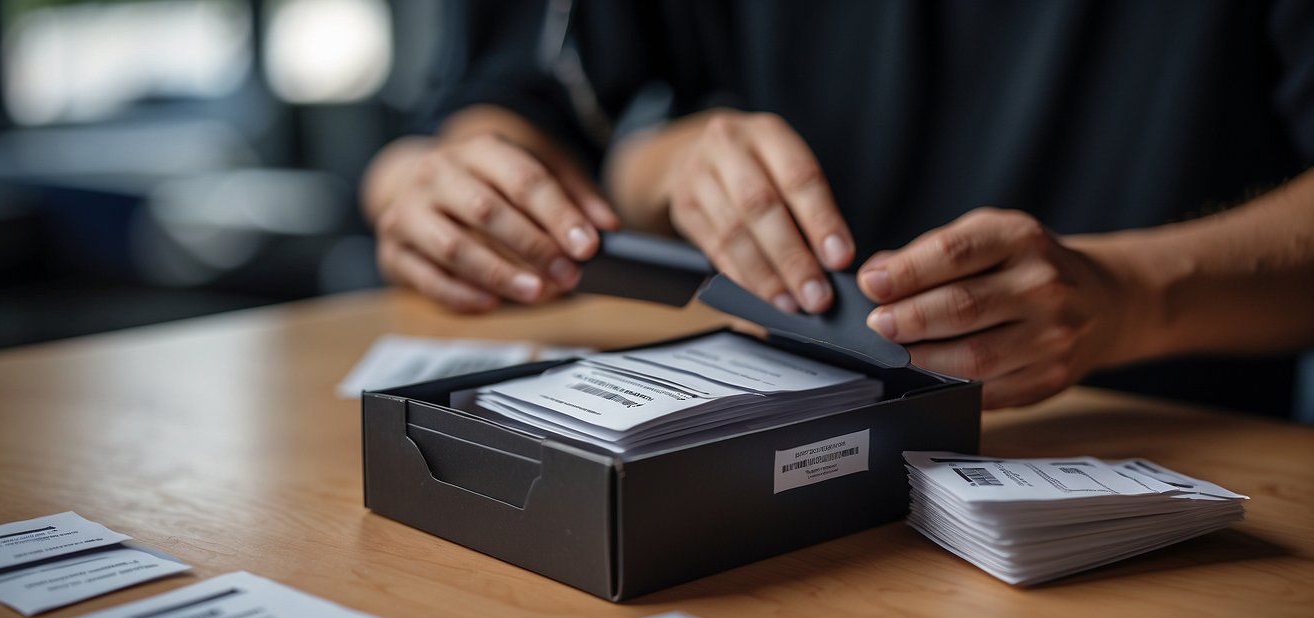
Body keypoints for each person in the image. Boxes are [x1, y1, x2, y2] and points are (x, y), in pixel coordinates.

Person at [362, 1, 1314, 412]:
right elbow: (530, 99)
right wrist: (447, 180)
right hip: (773, 452)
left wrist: (1136, 293)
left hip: (1162, 455)